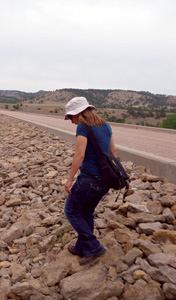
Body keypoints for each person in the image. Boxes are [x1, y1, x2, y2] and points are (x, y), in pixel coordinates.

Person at [63, 96, 116, 266]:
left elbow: (80, 155)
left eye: (71, 117)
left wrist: (70, 179)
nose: (71, 121)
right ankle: (81, 247)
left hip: (88, 179)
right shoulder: (106, 125)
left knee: (71, 211)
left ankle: (93, 247)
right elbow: (113, 153)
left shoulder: (82, 127)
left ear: (78, 113)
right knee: (86, 213)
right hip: (104, 181)